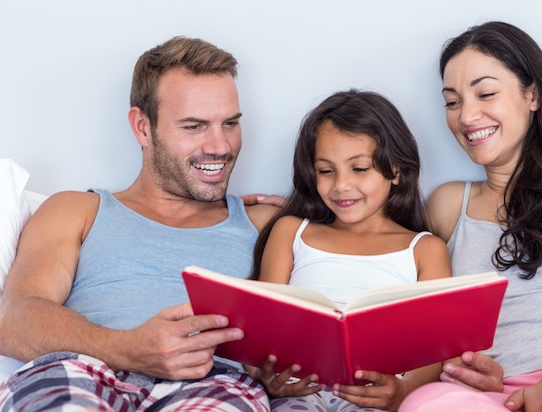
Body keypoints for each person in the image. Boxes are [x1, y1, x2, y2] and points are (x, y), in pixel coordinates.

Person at [0, 36, 278, 411]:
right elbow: (14, 319)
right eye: (194, 126)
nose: (220, 146)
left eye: (230, 123)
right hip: (81, 371)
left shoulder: (265, 224)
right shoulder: (76, 210)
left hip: (211, 385)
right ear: (142, 127)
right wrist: (128, 348)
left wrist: (311, 206)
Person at [397, 21, 542, 412]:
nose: (467, 116)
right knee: (429, 401)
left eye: (485, 93)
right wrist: (311, 209)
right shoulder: (450, 204)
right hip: (494, 395)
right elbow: (416, 308)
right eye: (452, 102)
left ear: (533, 95)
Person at [247, 90, 452, 412]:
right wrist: (264, 375)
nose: (341, 185)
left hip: (373, 396)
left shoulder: (425, 249)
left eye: (359, 169)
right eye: (326, 171)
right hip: (299, 392)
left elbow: (435, 350)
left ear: (395, 170)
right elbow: (259, 329)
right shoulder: (290, 231)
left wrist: (402, 391)